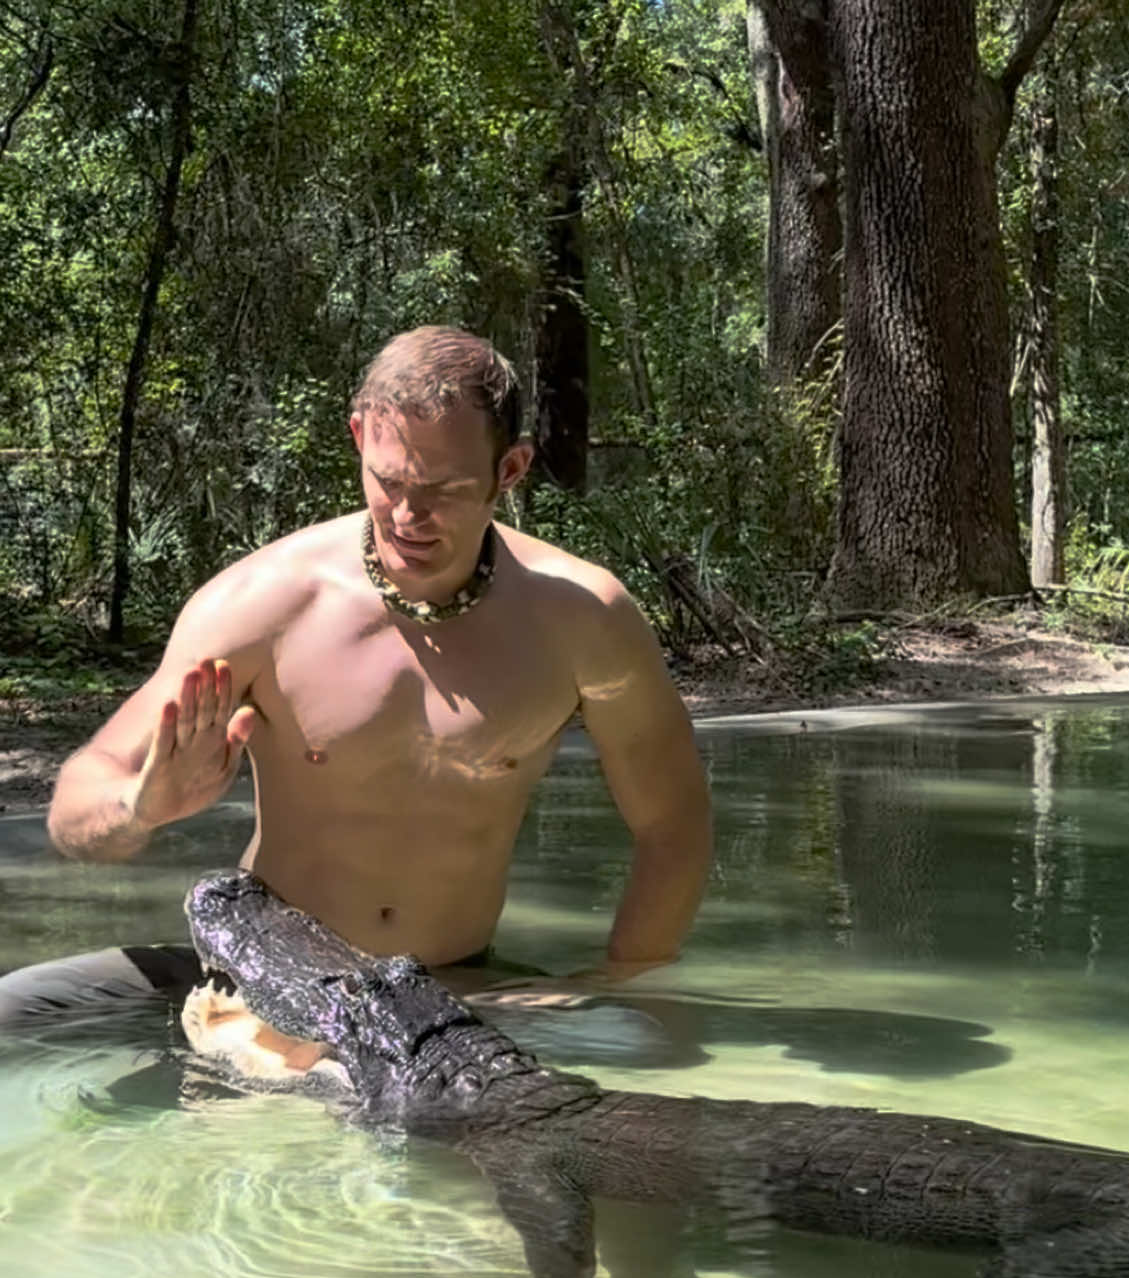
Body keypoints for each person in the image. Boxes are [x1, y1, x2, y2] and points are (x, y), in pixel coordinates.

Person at [0, 326, 712, 1033]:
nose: (408, 516)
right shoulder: (266, 604)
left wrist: (625, 986)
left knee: (644, 1065)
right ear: (358, 435)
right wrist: (138, 805)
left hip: (454, 993)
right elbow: (75, 803)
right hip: (261, 979)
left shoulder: (583, 621)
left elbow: (673, 824)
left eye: (444, 489)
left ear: (511, 469)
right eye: (389, 481)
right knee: (12, 1010)